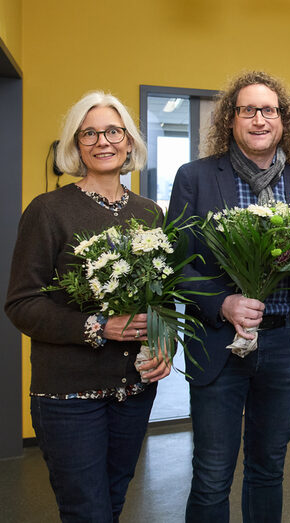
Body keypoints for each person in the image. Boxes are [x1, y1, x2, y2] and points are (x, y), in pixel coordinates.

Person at [168, 70, 290, 523]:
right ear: (231, 118)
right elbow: (175, 265)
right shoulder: (196, 177)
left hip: (285, 348)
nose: (260, 119)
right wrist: (222, 303)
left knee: (268, 469)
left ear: (284, 120)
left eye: (269, 110)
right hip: (219, 343)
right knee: (212, 474)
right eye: (248, 110)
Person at [4, 91, 171, 522]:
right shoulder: (48, 211)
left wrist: (163, 345)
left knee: (112, 504)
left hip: (133, 391)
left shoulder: (150, 214)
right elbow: (22, 303)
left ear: (129, 141)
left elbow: (162, 299)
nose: (103, 142)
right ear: (76, 145)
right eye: (89, 133)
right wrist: (99, 325)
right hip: (68, 394)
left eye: (113, 131)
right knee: (87, 511)